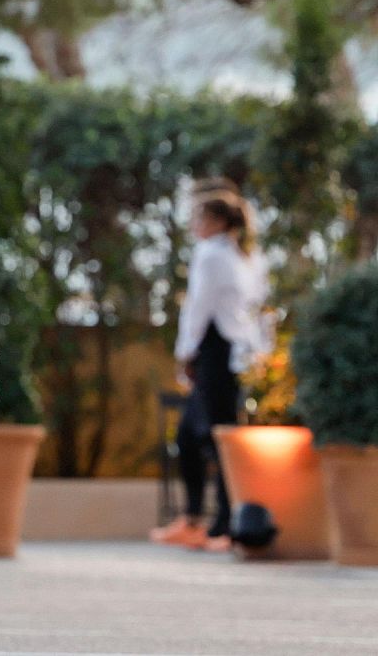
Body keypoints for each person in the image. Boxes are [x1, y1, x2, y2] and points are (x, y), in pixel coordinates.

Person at [151, 191, 267, 551]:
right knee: (194, 436)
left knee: (216, 440)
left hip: (215, 351)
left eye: (198, 217)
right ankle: (198, 521)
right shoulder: (242, 255)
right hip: (233, 353)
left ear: (218, 221)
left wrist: (185, 351)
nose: (193, 225)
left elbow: (198, 308)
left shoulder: (212, 254)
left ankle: (221, 527)